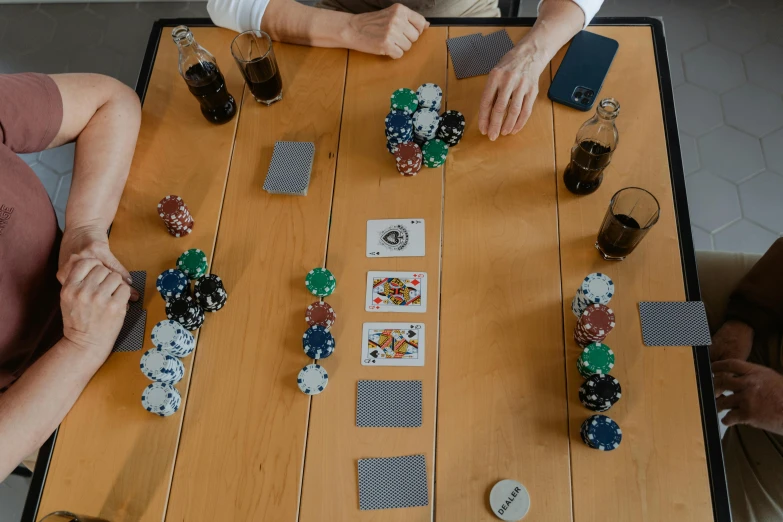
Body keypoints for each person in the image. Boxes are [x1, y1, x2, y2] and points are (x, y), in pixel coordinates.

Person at [0, 73, 142, 481]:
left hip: (114, 290)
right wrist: (82, 345)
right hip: (42, 400)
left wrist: (85, 232)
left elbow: (110, 102)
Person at [207, 0, 602, 139]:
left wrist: (533, 51)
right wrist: (349, 27)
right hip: (336, 31)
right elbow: (223, 2)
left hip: (464, 22)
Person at [698, 238, 783, 522]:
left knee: (701, 509)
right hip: (774, 306)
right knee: (652, 300)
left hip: (778, 442)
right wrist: (744, 317)